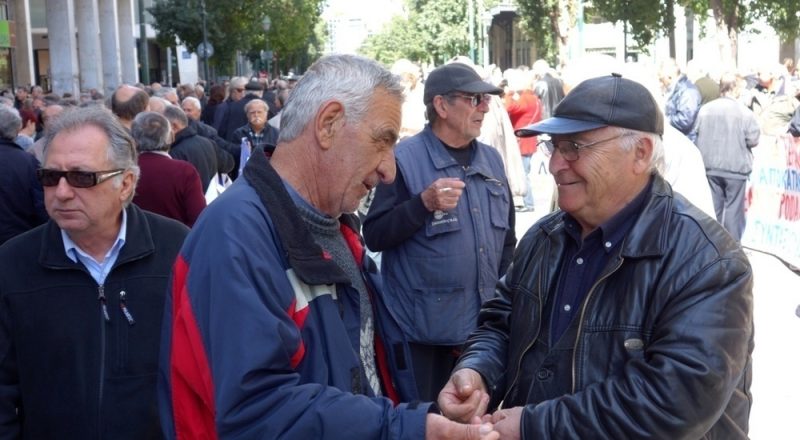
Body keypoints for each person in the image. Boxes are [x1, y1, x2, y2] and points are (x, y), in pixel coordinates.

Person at [158, 54, 498, 440]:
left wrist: (424, 413)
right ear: (328, 124)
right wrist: (412, 427)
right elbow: (255, 411)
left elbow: (358, 373)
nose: (389, 171)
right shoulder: (235, 234)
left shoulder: (330, 226)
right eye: (383, 141)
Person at [439, 74, 754, 439]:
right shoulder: (545, 237)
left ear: (640, 154)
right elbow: (501, 323)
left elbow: (674, 402)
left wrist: (534, 425)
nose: (556, 164)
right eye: (553, 147)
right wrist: (477, 372)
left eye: (574, 146)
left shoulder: (708, 262)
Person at [0, 106, 189, 438]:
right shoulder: (12, 263)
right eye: (49, 176)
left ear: (126, 183)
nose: (61, 192)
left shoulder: (179, 250)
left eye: (81, 177)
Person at [363, 62, 517, 402]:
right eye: (474, 99)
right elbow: (373, 234)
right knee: (426, 425)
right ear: (441, 106)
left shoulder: (491, 160)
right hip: (422, 337)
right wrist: (423, 203)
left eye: (486, 99)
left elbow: (507, 241)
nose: (485, 107)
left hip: (482, 335)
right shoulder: (403, 159)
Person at [693, 73, 761, 241]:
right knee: (733, 211)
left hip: (709, 165)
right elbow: (753, 139)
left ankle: (711, 245)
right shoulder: (744, 112)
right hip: (735, 167)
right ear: (735, 88)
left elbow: (696, 132)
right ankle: (732, 248)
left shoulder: (705, 109)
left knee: (712, 208)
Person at [131, 111, 206, 227]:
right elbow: (199, 218)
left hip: (134, 239)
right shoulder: (184, 171)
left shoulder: (126, 169)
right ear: (170, 137)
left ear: (134, 139)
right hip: (177, 241)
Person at [0, 105, 47, 245]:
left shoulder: (28, 162)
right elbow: (41, 207)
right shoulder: (28, 162)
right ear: (17, 130)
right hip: (18, 240)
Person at [659, 58, 702, 140]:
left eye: (661, 79)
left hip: (686, 142)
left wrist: (663, 120)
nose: (660, 82)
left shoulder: (688, 91)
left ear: (669, 76)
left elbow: (685, 120)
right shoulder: (674, 90)